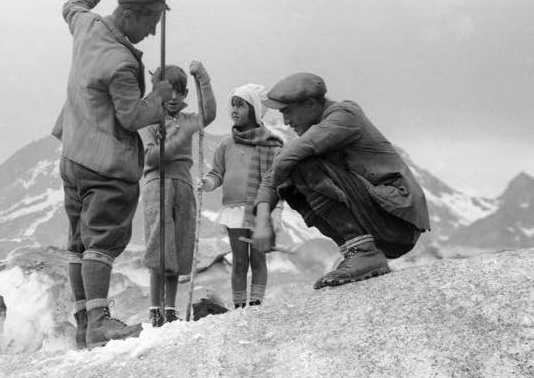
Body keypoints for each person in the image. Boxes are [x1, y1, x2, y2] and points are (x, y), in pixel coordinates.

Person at [52, 0, 174, 349]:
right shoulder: (121, 63)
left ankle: (85, 321)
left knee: (78, 244)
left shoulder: (87, 27)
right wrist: (158, 96)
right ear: (133, 14)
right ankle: (101, 322)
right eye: (151, 23)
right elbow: (131, 118)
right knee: (101, 243)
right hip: (107, 163)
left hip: (73, 154)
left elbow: (74, 4)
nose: (153, 33)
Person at [251, 72, 430, 288]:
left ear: (311, 104)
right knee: (291, 181)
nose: (286, 121)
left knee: (300, 166)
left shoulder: (344, 116)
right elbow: (277, 171)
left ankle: (363, 252)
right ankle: (356, 253)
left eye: (287, 112)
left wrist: (264, 220)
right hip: (384, 216)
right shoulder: (320, 127)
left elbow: (287, 159)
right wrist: (262, 221)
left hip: (398, 218)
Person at [140, 61, 216, 326]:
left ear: (185, 94)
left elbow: (209, 113)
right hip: (156, 184)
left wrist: (202, 78)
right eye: (166, 92)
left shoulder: (187, 120)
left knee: (177, 245)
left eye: (179, 92)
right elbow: (150, 158)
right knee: (159, 245)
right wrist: (177, 139)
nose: (173, 98)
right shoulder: (150, 121)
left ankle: (170, 309)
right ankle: (155, 309)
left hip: (183, 184)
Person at [201, 84, 283, 308]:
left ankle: (256, 303)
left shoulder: (271, 145)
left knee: (258, 258)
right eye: (233, 105)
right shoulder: (226, 144)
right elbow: (216, 173)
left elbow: (277, 181)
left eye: (241, 106)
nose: (234, 110)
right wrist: (207, 183)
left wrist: (275, 213)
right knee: (239, 260)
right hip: (234, 211)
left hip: (260, 210)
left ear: (255, 110)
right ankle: (239, 305)